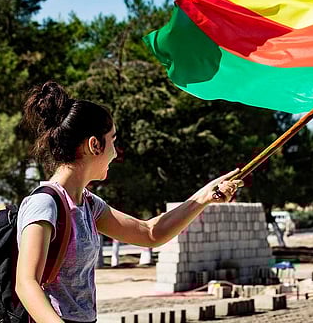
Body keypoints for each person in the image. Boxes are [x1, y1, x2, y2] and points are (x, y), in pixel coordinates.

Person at [16, 81, 242, 323]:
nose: (115, 152)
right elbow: (26, 283)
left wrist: (204, 197)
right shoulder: (45, 204)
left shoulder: (88, 205)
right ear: (95, 145)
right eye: (112, 140)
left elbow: (149, 233)